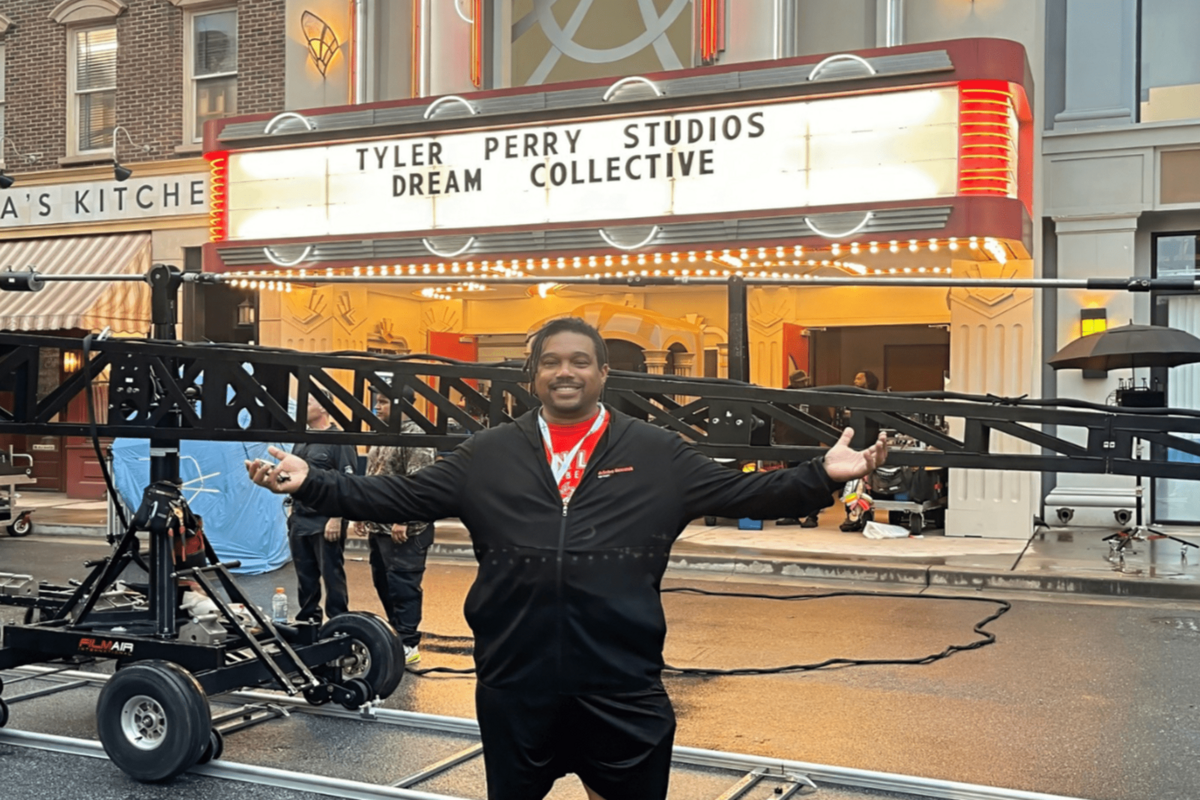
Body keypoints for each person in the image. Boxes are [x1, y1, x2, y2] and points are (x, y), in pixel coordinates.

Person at [247, 317, 886, 800]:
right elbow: (400, 496)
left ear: (603, 374)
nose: (565, 371)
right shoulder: (488, 453)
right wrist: (312, 482)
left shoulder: (656, 452)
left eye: (580, 361)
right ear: (533, 377)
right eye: (550, 362)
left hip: (621, 685)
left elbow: (746, 493)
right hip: (515, 683)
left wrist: (822, 476)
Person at [352, 385, 437, 665]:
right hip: (380, 527)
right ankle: (396, 635)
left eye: (384, 402)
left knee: (404, 587)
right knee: (384, 584)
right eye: (378, 401)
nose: (377, 407)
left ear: (403, 405)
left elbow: (420, 484)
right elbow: (373, 477)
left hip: (406, 531)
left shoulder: (416, 436)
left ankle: (408, 644)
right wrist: (362, 511)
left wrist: (404, 519)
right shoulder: (384, 434)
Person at [285, 390, 358, 624]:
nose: (301, 408)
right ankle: (309, 623)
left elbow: (348, 482)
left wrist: (336, 517)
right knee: (305, 576)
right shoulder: (302, 439)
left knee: (332, 575)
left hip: (325, 520)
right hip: (300, 519)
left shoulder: (339, 440)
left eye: (307, 403)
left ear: (324, 407)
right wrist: (291, 508)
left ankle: (338, 622)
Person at [775, 370, 822, 528]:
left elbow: (825, 418)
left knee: (810, 480)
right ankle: (793, 515)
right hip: (791, 443)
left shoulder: (813, 395)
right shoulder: (785, 397)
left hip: (807, 444)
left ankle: (810, 516)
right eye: (801, 381)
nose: (803, 383)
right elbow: (776, 419)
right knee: (792, 481)